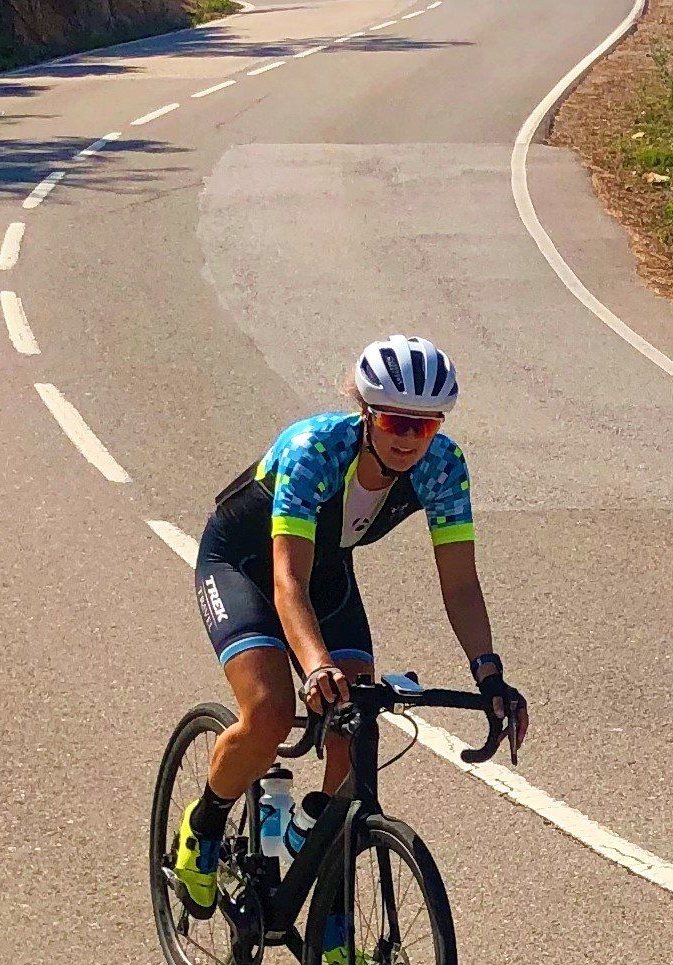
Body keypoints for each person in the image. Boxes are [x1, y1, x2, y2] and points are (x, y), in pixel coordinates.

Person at [175, 334, 528, 917]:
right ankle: (205, 824)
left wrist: (489, 674)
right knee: (267, 713)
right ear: (366, 412)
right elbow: (287, 581)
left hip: (327, 569)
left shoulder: (444, 467)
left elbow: (460, 583)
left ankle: (324, 889)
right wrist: (316, 668)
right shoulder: (316, 449)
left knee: (356, 722)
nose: (410, 439)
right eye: (395, 420)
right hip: (244, 562)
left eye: (426, 426)